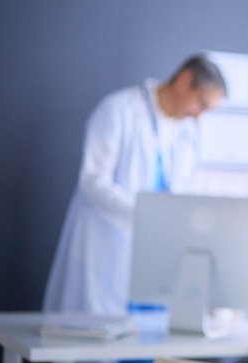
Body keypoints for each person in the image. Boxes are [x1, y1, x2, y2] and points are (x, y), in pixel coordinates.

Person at [43, 53, 227, 317]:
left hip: (155, 256)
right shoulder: (119, 110)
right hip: (107, 247)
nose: (199, 117)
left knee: (149, 342)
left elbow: (185, 189)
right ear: (184, 81)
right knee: (97, 342)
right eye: (202, 104)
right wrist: (146, 214)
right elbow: (93, 182)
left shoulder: (186, 131)